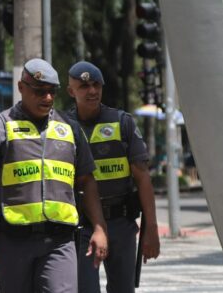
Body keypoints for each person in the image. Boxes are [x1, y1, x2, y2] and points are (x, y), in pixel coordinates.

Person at [0, 58, 108, 293]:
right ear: (21, 88)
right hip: (13, 241)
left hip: (60, 242)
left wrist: (100, 228)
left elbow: (86, 181)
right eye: (40, 91)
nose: (48, 98)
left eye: (52, 92)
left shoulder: (69, 129)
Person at [67, 61, 160, 293]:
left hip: (121, 223)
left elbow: (143, 178)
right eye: (84, 85)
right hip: (82, 226)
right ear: (71, 91)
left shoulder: (122, 122)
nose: (92, 91)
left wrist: (151, 228)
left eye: (96, 84)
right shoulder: (63, 126)